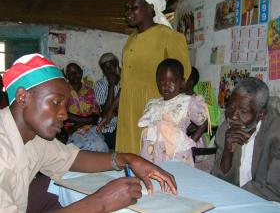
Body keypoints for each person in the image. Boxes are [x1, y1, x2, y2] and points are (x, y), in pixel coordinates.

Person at [0, 53, 177, 212]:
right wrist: (101, 202)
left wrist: (128, 159)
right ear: (23, 97)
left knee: (55, 188)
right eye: (56, 102)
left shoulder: (32, 136)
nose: (64, 113)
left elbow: (73, 158)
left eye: (65, 104)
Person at [98, 0, 192, 155]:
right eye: (126, 8)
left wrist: (169, 116)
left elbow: (183, 79)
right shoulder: (130, 41)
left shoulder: (168, 36)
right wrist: (110, 112)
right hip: (128, 110)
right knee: (128, 154)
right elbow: (126, 83)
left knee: (150, 156)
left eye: (134, 7)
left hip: (153, 110)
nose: (128, 12)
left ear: (150, 8)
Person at [212, 77, 280, 201]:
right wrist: (228, 152)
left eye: (243, 111)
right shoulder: (225, 129)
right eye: (231, 107)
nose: (233, 116)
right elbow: (218, 179)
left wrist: (235, 194)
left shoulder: (276, 134)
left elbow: (275, 190)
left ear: (261, 114)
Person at [138, 59, 208, 166]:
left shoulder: (187, 102)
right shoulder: (152, 104)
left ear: (182, 82)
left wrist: (191, 142)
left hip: (176, 153)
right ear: (156, 82)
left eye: (172, 82)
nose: (166, 86)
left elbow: (203, 123)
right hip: (151, 152)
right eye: (162, 82)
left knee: (175, 179)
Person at [64, 63, 109, 152]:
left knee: (101, 147)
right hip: (72, 132)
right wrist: (86, 120)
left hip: (89, 129)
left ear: (81, 73)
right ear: (67, 76)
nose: (73, 76)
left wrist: (77, 125)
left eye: (76, 72)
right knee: (79, 151)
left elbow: (95, 117)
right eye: (70, 73)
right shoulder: (63, 91)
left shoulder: (89, 90)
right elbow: (64, 115)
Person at [94, 53, 120, 150]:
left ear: (117, 64)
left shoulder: (125, 81)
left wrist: (115, 111)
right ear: (103, 71)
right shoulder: (99, 85)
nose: (109, 70)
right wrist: (111, 85)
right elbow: (104, 113)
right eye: (105, 68)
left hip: (122, 126)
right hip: (106, 129)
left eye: (111, 65)